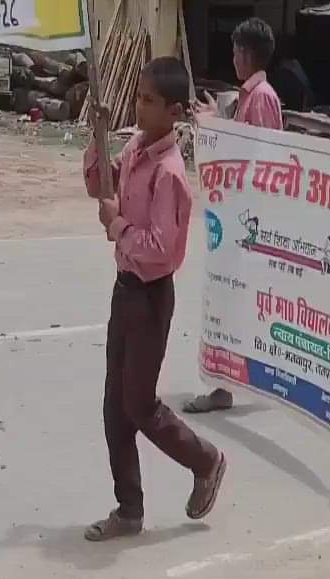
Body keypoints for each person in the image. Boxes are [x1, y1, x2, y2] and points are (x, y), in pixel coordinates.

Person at [82, 58, 229, 541]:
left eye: (149, 101)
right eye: (139, 98)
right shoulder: (136, 148)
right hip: (125, 289)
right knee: (114, 406)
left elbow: (161, 250)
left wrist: (117, 225)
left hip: (149, 296)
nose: (140, 107)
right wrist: (98, 140)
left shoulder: (169, 174)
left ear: (175, 112)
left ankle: (205, 460)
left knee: (139, 404)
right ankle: (129, 509)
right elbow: (100, 185)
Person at [188, 17, 284, 415]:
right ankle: (238, 380)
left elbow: (258, 159)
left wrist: (216, 128)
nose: (232, 58)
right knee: (236, 302)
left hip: (247, 218)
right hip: (241, 216)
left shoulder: (260, 97)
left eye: (234, 51)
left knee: (228, 301)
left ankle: (223, 386)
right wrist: (220, 121)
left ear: (244, 54)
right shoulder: (251, 96)